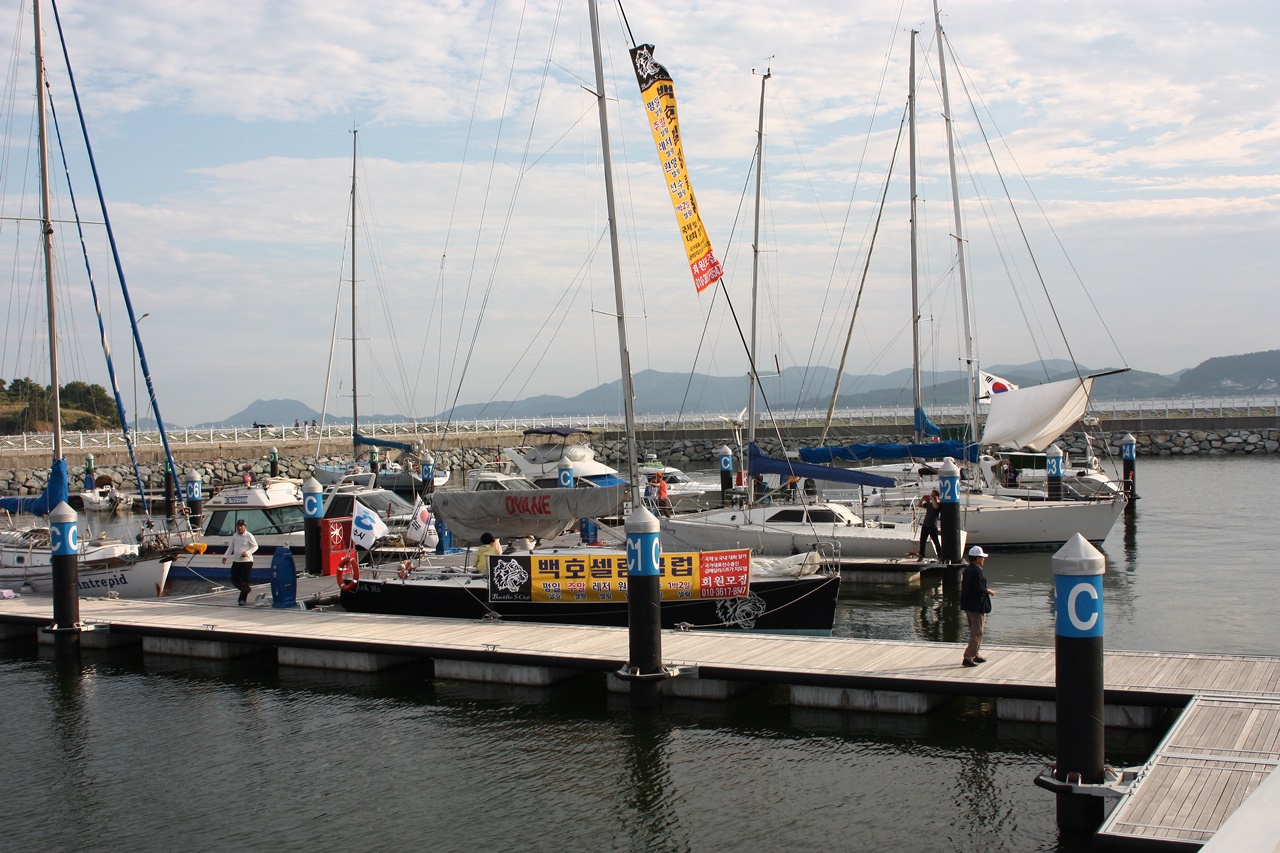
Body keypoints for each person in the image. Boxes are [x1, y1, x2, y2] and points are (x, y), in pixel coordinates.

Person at [961, 545, 996, 666]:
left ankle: (975, 653)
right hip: (976, 606)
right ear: (977, 559)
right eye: (982, 557)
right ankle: (968, 657)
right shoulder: (976, 571)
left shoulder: (968, 569)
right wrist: (988, 591)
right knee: (977, 631)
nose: (983, 559)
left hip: (969, 605)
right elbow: (977, 588)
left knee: (976, 631)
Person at [222, 518, 258, 605]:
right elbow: (231, 547)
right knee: (234, 579)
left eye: (241, 526)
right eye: (238, 526)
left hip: (247, 562)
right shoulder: (235, 535)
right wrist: (225, 556)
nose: (239, 528)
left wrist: (247, 553)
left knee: (244, 580)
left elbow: (255, 546)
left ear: (244, 527)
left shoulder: (249, 535)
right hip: (237, 561)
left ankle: (242, 599)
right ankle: (246, 589)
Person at [917, 490, 941, 561]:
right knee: (922, 541)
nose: (931, 497)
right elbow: (919, 505)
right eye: (931, 495)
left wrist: (933, 498)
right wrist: (922, 499)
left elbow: (936, 507)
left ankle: (940, 555)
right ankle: (921, 555)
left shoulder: (938, 504)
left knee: (936, 541)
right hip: (925, 525)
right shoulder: (929, 504)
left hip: (933, 526)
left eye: (933, 495)